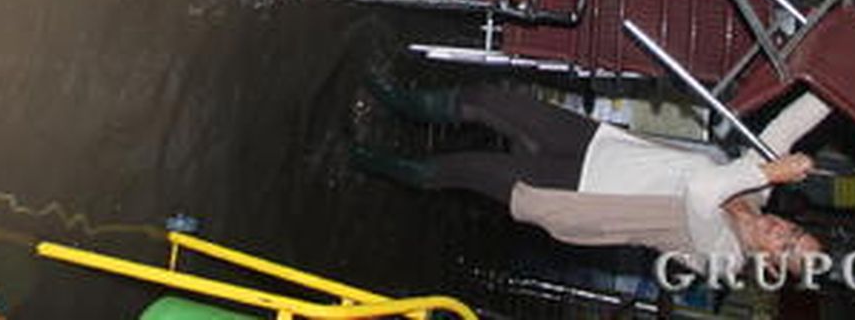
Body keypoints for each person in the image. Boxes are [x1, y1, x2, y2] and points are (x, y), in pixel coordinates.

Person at [354, 81, 829, 279]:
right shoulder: (758, 193)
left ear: (769, 266)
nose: (783, 235)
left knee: (462, 169)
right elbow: (781, 132)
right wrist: (841, 95)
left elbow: (702, 195)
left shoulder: (722, 259)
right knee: (488, 100)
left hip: (573, 196)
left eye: (786, 251)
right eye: (796, 234)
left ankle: (364, 159)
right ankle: (396, 98)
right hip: (596, 145)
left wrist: (769, 170)